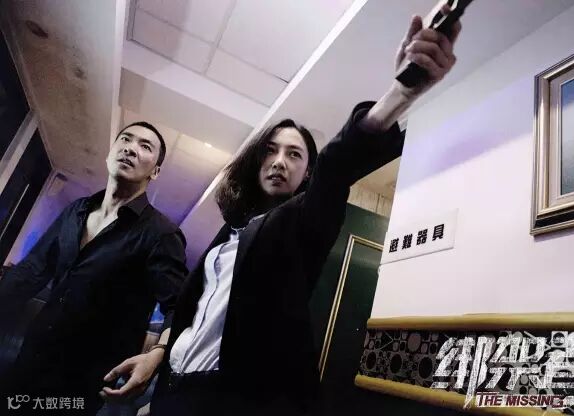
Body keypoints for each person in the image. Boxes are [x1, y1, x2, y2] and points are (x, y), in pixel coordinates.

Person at [103, 10, 461, 416]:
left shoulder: (301, 224)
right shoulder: (231, 231)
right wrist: (159, 358)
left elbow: (337, 166)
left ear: (307, 172)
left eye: (294, 154)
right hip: (173, 393)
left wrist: (402, 92)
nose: (278, 161)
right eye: (271, 150)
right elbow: (198, 314)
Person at [0, 121, 188, 415]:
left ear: (155, 172)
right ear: (110, 153)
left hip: (82, 380)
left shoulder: (161, 234)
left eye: (145, 146)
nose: (131, 148)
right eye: (125, 139)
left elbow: (180, 306)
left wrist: (157, 354)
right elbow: (32, 271)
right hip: (31, 356)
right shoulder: (76, 210)